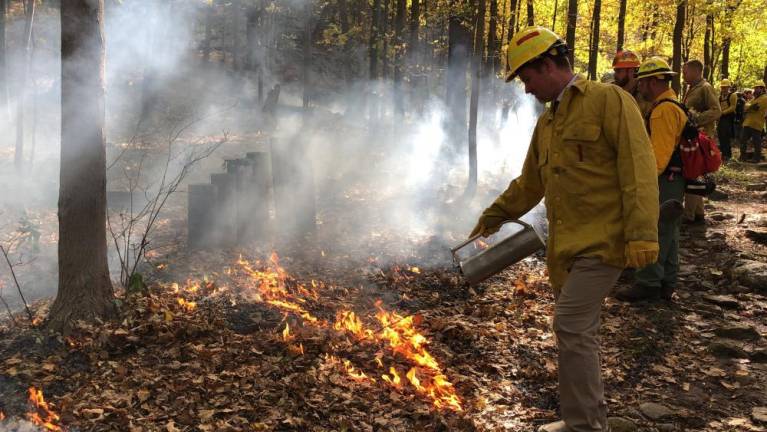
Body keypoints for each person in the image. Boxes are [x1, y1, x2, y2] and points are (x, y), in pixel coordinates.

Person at [470, 26, 659, 432]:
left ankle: (586, 426)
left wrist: (643, 233)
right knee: (577, 330)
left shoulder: (610, 101)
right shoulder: (549, 122)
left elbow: (638, 171)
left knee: (571, 326)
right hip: (566, 250)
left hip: (605, 243)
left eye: (528, 77)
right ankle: (581, 417)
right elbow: (529, 184)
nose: (525, 89)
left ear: (549, 65)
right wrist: (494, 215)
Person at [615, 58, 687, 302]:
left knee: (654, 230)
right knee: (669, 231)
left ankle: (648, 283)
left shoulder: (663, 110)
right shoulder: (671, 103)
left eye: (643, 82)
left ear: (654, 81)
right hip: (673, 179)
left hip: (663, 180)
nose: (640, 87)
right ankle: (667, 282)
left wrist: (641, 182)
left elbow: (658, 157)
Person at [681, 60, 721, 224]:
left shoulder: (705, 88)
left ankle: (688, 215)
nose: (684, 75)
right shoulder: (692, 88)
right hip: (693, 138)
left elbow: (716, 110)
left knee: (692, 174)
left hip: (701, 138)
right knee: (695, 175)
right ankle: (698, 214)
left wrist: (696, 121)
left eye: (686, 72)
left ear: (697, 71)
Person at [612, 49, 653, 116]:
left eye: (618, 71)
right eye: (615, 71)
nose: (615, 75)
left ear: (631, 71)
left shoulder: (645, 95)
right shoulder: (611, 91)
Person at [740, 83, 767, 163]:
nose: (755, 90)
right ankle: (743, 157)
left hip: (757, 123)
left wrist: (749, 107)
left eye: (757, 88)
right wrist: (749, 107)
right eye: (755, 88)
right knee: (742, 139)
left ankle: (756, 158)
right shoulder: (754, 98)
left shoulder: (765, 98)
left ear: (762, 89)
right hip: (747, 122)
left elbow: (756, 108)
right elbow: (745, 107)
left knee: (756, 142)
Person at [717, 79, 738, 161]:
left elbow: (733, 107)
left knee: (726, 136)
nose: (723, 89)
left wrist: (723, 113)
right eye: (722, 87)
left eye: (725, 87)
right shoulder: (720, 97)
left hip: (728, 118)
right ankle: (723, 154)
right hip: (721, 118)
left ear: (729, 87)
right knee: (720, 135)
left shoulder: (733, 95)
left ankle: (728, 155)